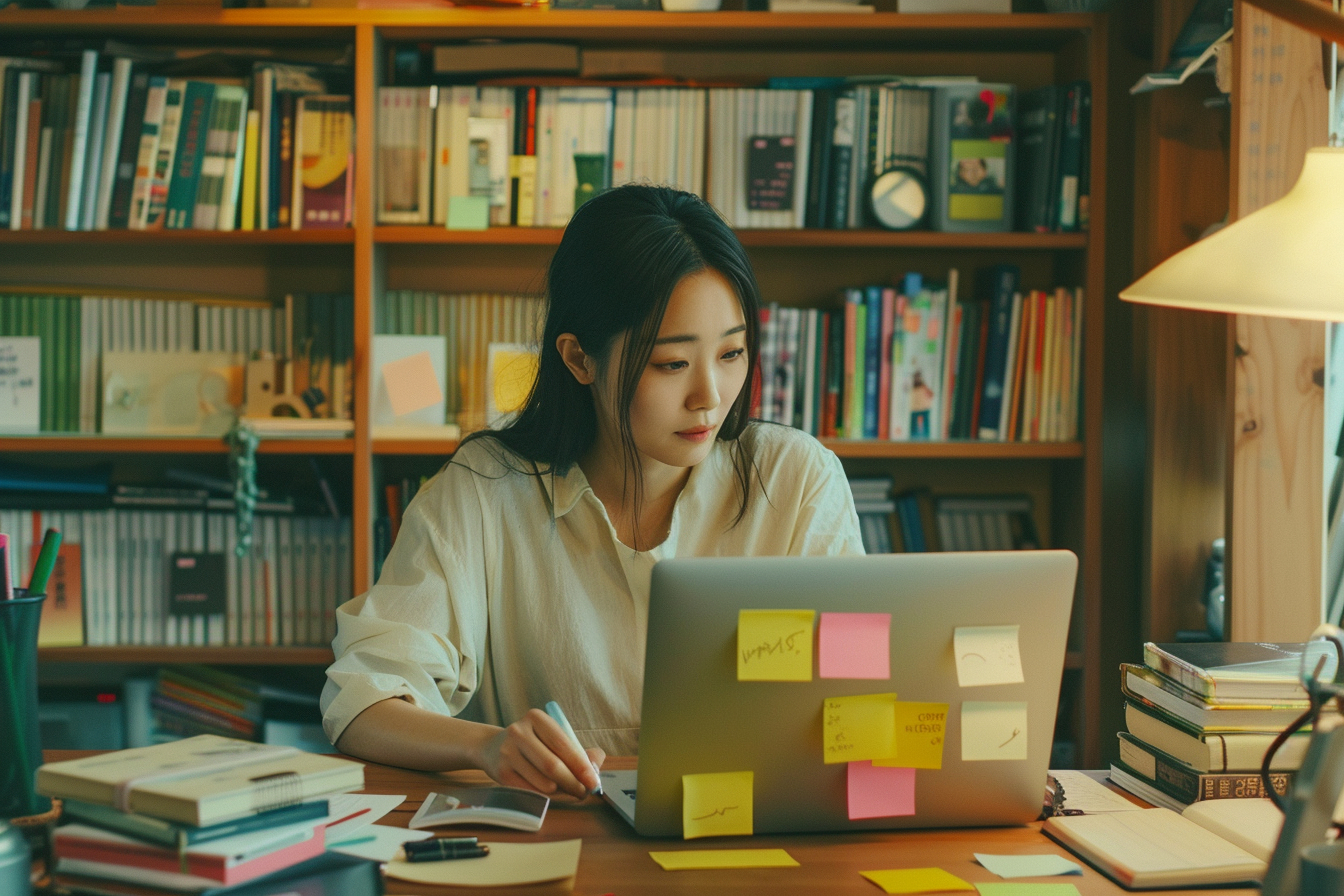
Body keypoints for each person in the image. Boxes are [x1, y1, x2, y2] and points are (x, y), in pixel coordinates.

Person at [321, 184, 864, 802]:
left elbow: (858, 694)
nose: (710, 397)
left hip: (748, 826)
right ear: (580, 359)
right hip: (559, 836)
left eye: (732, 353)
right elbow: (362, 701)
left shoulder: (795, 479)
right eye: (672, 364)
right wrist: (486, 746)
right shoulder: (485, 491)